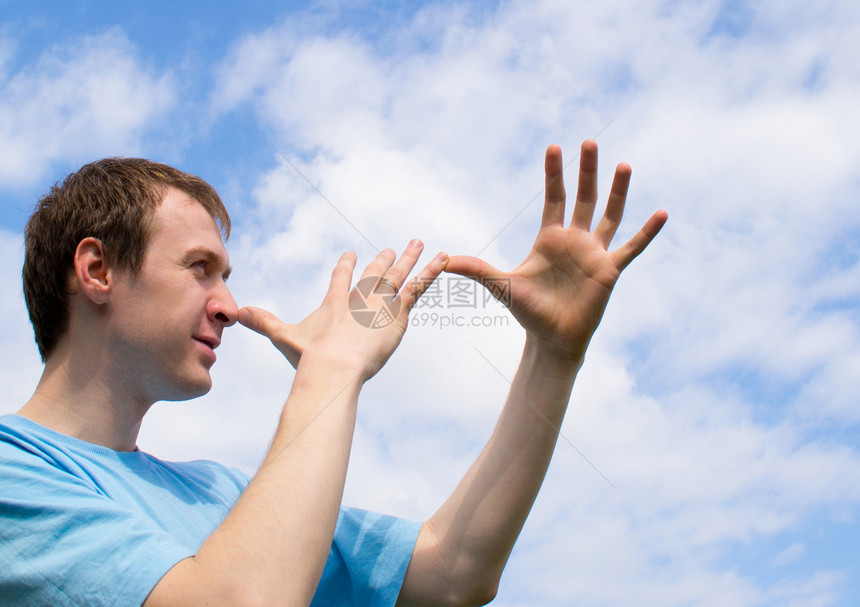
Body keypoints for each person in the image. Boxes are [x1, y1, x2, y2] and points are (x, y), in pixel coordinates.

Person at [0, 140, 667, 606]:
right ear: (98, 271)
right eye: (199, 268)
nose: (228, 305)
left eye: (226, 277)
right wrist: (334, 366)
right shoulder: (13, 469)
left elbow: (453, 570)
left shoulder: (219, 493)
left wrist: (554, 355)